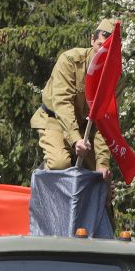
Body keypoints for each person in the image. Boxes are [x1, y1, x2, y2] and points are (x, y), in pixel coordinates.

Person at [31, 19, 117, 175]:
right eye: (100, 46)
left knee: (100, 178)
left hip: (86, 128)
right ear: (92, 40)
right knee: (60, 164)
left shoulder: (113, 76)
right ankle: (43, 177)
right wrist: (75, 139)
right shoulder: (70, 61)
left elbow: (105, 120)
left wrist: (102, 163)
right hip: (54, 121)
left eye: (109, 49)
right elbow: (63, 103)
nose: (104, 52)